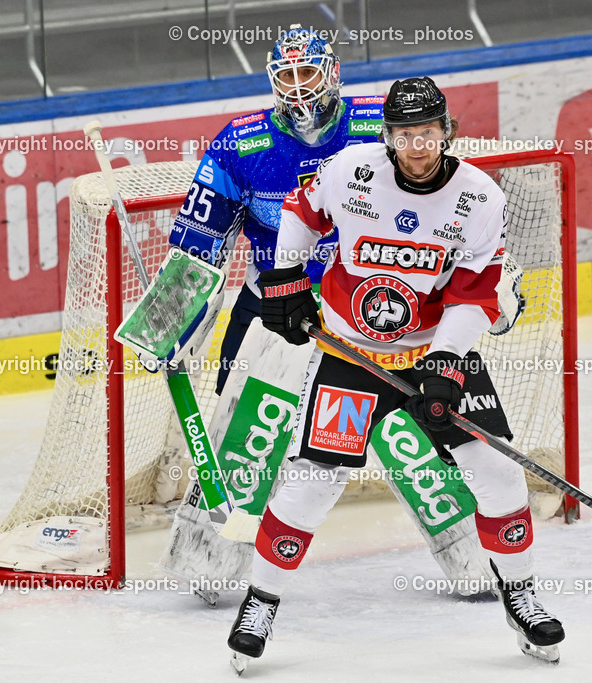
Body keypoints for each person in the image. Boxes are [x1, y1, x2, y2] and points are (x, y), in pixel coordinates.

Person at [226, 76, 565, 671]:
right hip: (350, 357)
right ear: (388, 136)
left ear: (447, 132)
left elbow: (473, 295)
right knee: (312, 483)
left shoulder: (480, 199)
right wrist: (284, 276)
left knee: (498, 474)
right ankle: (260, 602)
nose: (416, 145)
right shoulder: (351, 170)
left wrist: (444, 363)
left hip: (435, 355)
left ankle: (521, 593)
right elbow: (301, 213)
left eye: (428, 132)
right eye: (405, 134)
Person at [160, 24, 385, 602]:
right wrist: (172, 319)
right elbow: (198, 241)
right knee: (249, 429)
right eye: (284, 75)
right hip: (274, 309)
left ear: (332, 72)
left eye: (306, 72)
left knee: (403, 423)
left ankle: (469, 540)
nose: (296, 87)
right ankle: (216, 557)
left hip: (366, 309)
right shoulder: (241, 142)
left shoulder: (378, 126)